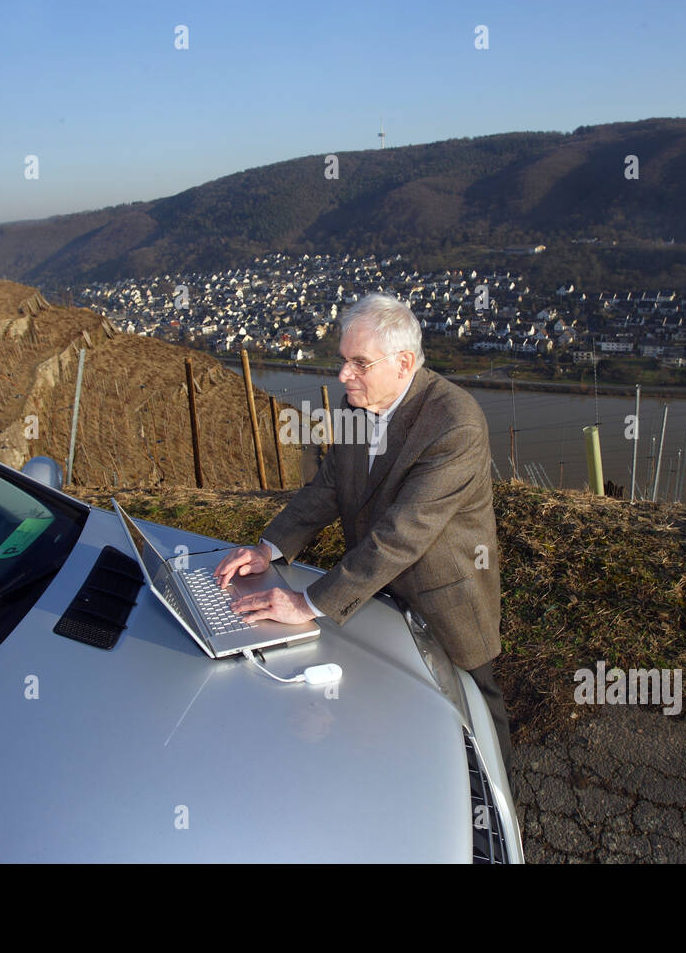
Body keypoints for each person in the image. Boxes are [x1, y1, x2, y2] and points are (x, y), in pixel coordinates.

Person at [213, 292, 514, 788]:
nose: (342, 376)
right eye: (342, 360)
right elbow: (328, 488)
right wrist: (267, 548)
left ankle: (499, 806)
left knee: (476, 705)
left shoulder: (456, 423)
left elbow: (401, 536)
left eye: (358, 363)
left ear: (404, 363)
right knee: (390, 695)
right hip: (376, 595)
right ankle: (404, 781)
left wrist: (306, 602)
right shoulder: (360, 409)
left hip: (447, 601)